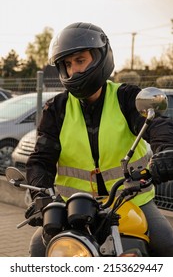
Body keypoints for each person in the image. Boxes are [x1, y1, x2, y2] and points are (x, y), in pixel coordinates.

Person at [25, 22, 173, 257]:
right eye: (67, 64)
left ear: (100, 57)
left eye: (80, 60)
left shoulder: (126, 97)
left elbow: (156, 124)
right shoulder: (57, 109)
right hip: (73, 206)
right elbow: (40, 160)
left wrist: (166, 150)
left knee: (167, 243)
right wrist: (40, 195)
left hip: (132, 199)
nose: (73, 71)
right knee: (38, 248)